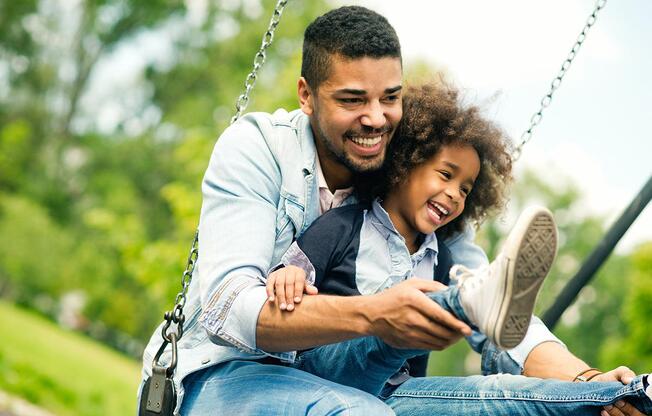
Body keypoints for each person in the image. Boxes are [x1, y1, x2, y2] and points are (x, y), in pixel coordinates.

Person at [139, 6, 648, 415]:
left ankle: (623, 396)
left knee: (505, 399)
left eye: (391, 97)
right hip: (227, 374)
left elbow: (499, 305)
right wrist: (376, 315)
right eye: (353, 99)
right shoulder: (256, 148)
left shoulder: (406, 180)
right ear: (307, 96)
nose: (377, 118)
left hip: (367, 388)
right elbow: (229, 308)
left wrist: (583, 378)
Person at [262, 83, 652, 415]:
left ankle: (628, 394)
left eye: (465, 189)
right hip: (323, 374)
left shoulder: (443, 259)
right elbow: (290, 275)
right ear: (404, 162)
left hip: (394, 398)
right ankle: (468, 302)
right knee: (392, 325)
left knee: (496, 396)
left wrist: (595, 385)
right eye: (446, 175)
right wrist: (289, 274)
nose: (454, 194)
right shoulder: (346, 224)